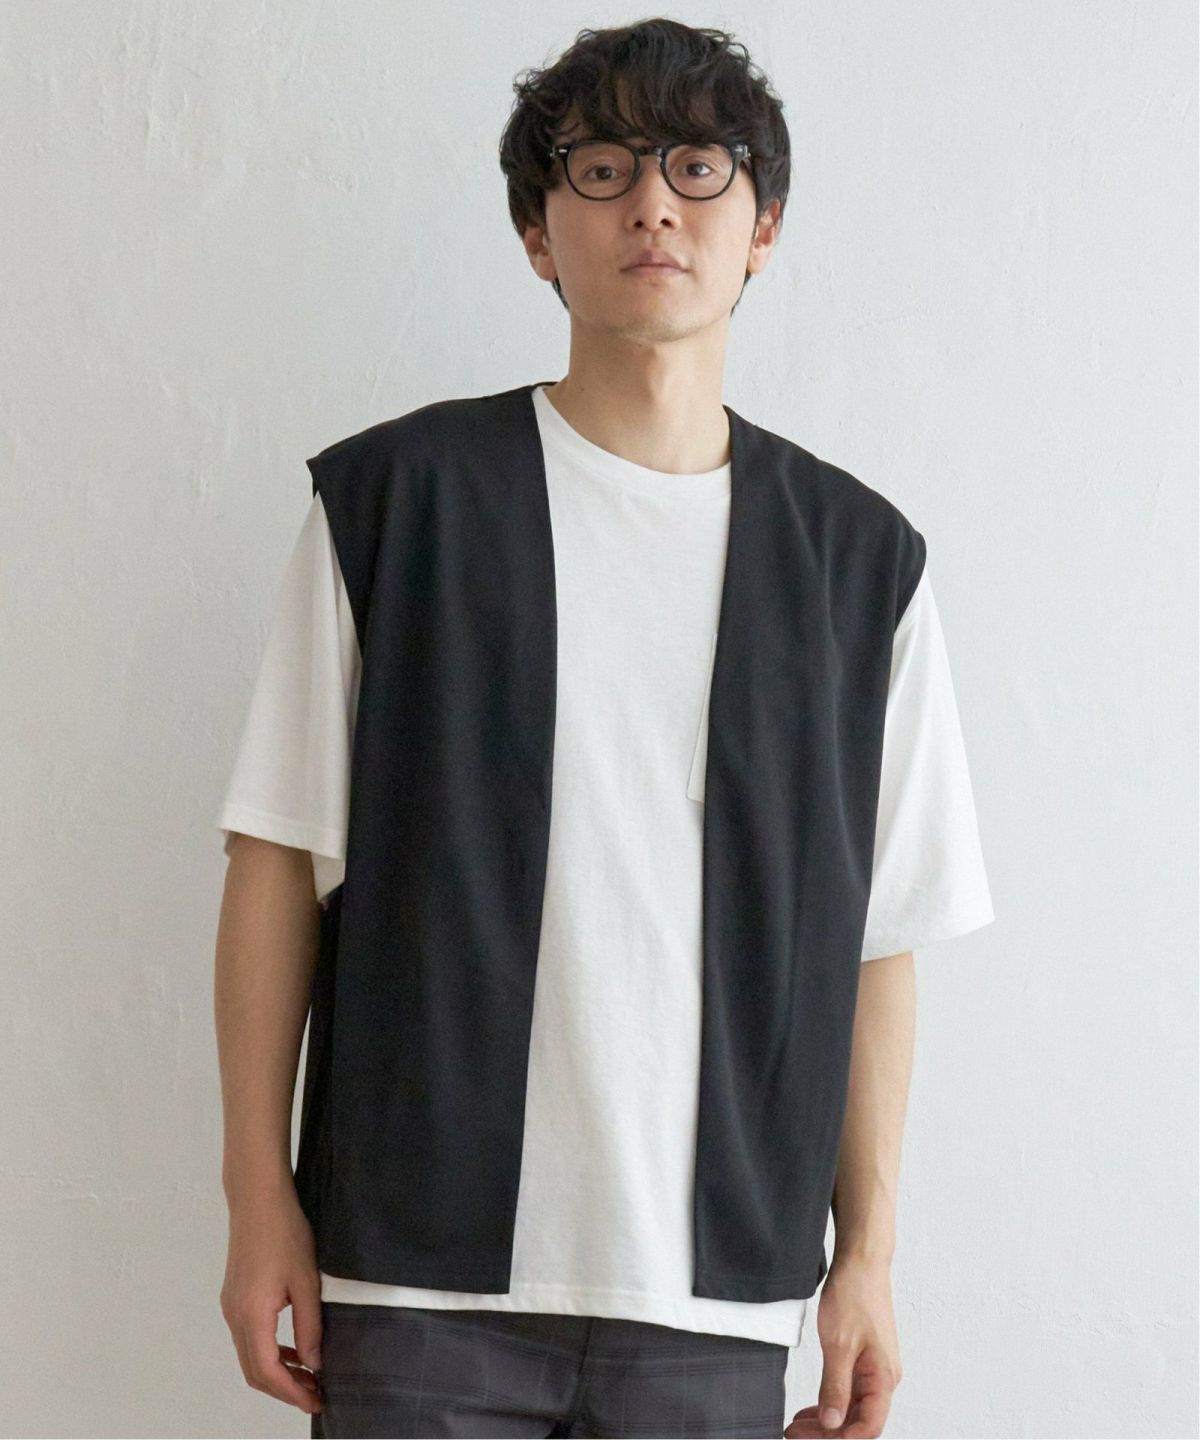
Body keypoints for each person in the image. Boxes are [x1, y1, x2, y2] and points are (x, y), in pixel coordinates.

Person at [214, 18, 993, 1439]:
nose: (653, 204)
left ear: (763, 229)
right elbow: (276, 860)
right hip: (415, 1277)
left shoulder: (861, 567)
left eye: (700, 167)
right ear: (538, 233)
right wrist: (256, 1191)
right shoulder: (396, 508)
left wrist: (868, 1258)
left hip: (714, 1298)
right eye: (604, 167)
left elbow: (881, 937)